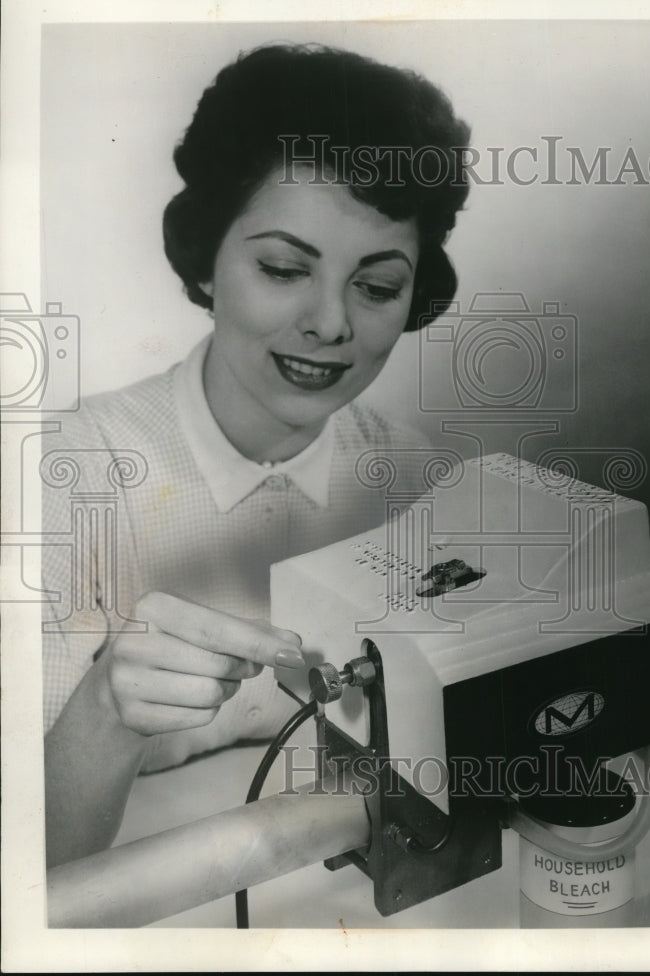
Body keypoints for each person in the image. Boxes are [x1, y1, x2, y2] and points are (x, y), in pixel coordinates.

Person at [41, 43, 471, 867]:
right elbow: (22, 870)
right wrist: (102, 707)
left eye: (377, 287)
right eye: (282, 269)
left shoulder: (423, 485)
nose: (331, 324)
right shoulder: (59, 475)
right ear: (206, 261)